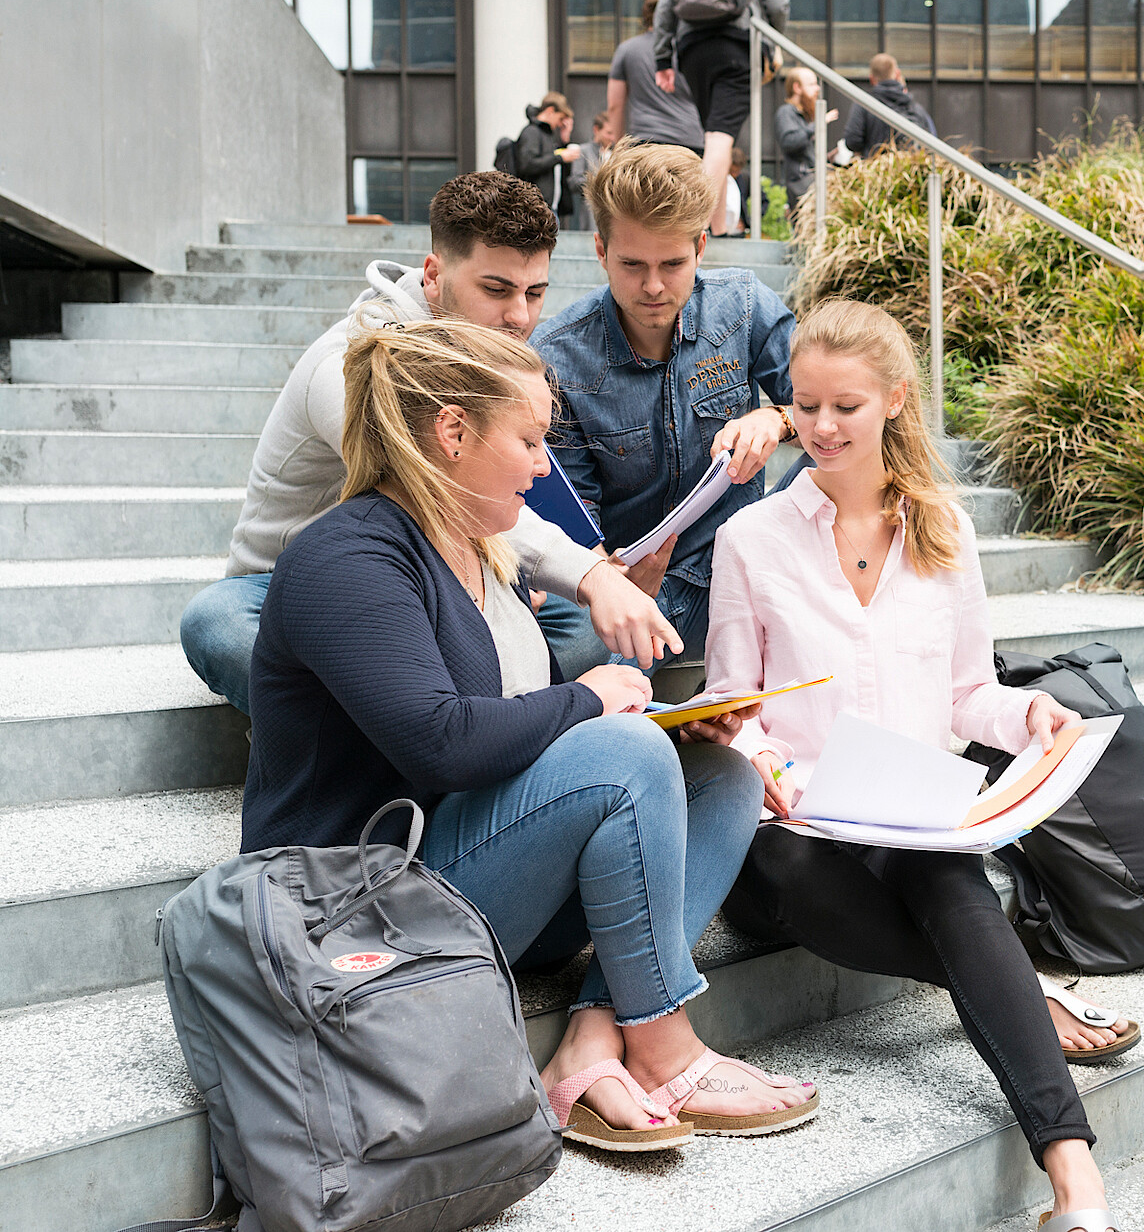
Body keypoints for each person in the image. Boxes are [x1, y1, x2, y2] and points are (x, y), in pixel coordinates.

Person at [241, 316, 817, 1152]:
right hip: (362, 916)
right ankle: (665, 1046)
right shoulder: (346, 557)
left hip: (465, 877)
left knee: (721, 778)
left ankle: (593, 1036)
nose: (546, 465)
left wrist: (672, 727)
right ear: (451, 433)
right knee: (620, 748)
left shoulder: (474, 544)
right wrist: (590, 701)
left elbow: (511, 734)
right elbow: (442, 742)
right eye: (531, 440)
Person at [709, 300, 1138, 1232]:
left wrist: (1027, 712)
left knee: (951, 884)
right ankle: (1019, 990)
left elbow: (964, 698)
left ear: (896, 401)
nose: (819, 429)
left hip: (905, 817)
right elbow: (729, 708)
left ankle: (1078, 1187)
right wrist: (765, 760)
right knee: (830, 876)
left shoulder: (942, 530)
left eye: (845, 408)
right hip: (790, 837)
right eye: (804, 406)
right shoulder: (752, 539)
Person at [180, 173, 676, 715]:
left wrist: (552, 574)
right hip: (302, 590)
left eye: (535, 293)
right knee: (216, 623)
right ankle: (408, 733)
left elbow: (490, 511)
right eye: (496, 289)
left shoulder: (495, 355)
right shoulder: (352, 364)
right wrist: (589, 575)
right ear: (435, 275)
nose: (520, 317)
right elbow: (440, 493)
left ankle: (480, 718)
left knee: (592, 624)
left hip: (451, 573)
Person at [535, 142, 795, 672]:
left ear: (701, 247)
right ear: (601, 250)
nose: (653, 286)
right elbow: (575, 529)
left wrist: (779, 416)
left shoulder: (742, 305)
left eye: (673, 264)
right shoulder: (557, 358)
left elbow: (833, 403)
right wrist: (609, 579)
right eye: (632, 264)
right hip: (633, 584)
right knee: (578, 662)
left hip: (743, 564)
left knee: (851, 443)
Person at [654, 0, 790, 236]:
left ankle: (717, 229)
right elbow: (778, 1)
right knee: (720, 137)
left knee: (715, 138)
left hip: (692, 48)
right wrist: (774, 40)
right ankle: (695, 226)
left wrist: (662, 58)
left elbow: (666, 2)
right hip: (738, 44)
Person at [607, 0, 705, 155]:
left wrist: (618, 148)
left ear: (645, 18)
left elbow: (614, 105)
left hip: (645, 143)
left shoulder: (626, 50)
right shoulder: (689, 50)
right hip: (690, 142)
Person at [841, 53, 937, 157]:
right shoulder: (915, 108)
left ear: (872, 79)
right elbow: (932, 140)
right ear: (897, 74)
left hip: (874, 169)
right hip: (910, 169)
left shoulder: (864, 104)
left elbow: (852, 141)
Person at [511, 92, 581, 215]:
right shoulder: (532, 132)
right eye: (560, 118)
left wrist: (564, 140)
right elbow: (527, 164)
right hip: (535, 207)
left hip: (549, 207)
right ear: (550, 111)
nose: (560, 124)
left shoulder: (548, 135)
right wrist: (559, 157)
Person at [776, 66, 833, 218]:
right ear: (797, 87)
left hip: (810, 184)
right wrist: (817, 125)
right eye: (812, 84)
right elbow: (789, 142)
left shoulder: (803, 116)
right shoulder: (787, 112)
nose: (817, 89)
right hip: (802, 187)